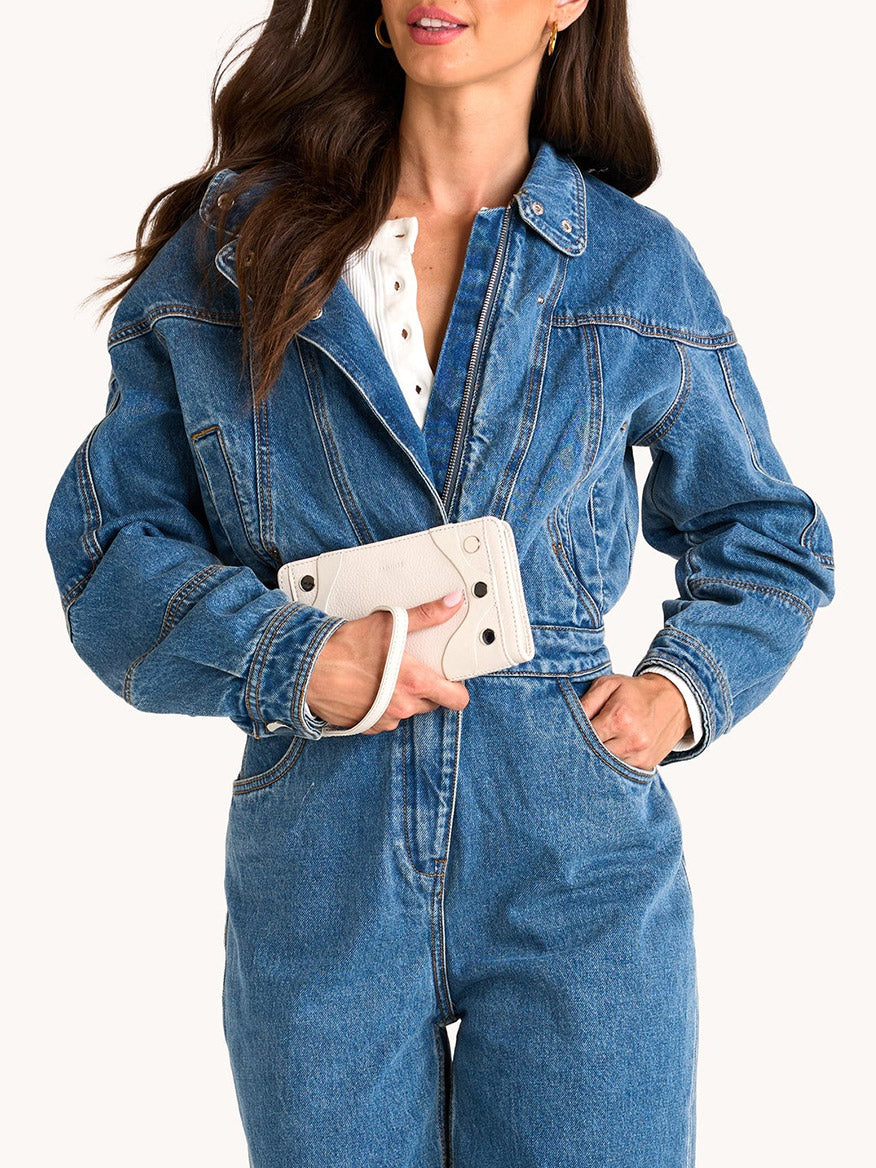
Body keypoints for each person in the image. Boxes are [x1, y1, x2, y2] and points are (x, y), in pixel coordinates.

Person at [44, 2, 836, 1165]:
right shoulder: (235, 249)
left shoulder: (634, 265)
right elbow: (109, 545)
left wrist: (678, 692)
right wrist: (299, 656)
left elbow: (766, 533)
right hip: (321, 853)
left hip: (575, 853)